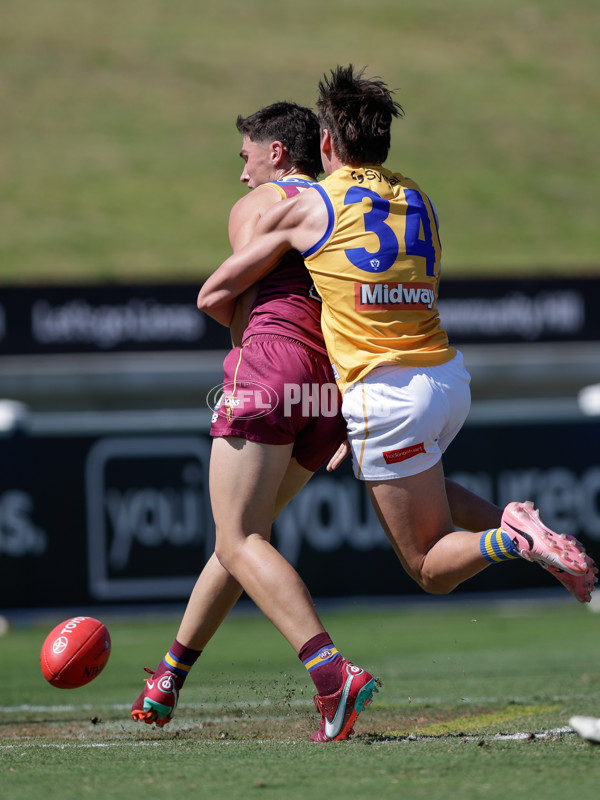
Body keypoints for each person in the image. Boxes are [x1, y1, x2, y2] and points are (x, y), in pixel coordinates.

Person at [198, 64, 598, 624]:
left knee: (428, 566)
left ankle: (511, 538)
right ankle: (522, 529)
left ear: (327, 141)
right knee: (422, 484)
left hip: (386, 391)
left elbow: (214, 291)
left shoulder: (313, 204)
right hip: (446, 378)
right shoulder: (419, 198)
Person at [131, 101, 371, 742]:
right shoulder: (337, 205)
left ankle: (331, 675)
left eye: (246, 157)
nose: (241, 176)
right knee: (242, 540)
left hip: (271, 363)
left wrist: (252, 355)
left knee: (239, 540)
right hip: (328, 385)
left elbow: (226, 298)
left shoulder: (260, 207)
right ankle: (169, 677)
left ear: (277, 153)